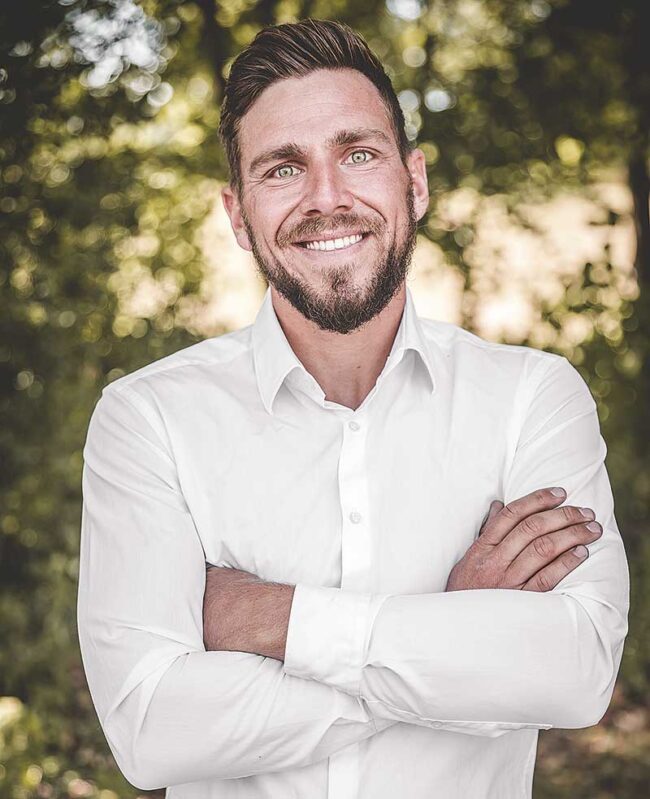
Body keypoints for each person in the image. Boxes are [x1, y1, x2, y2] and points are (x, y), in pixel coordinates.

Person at [76, 18, 630, 799]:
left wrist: (277, 620)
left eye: (359, 153)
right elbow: (150, 730)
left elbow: (574, 671)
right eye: (283, 168)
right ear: (238, 216)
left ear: (416, 182)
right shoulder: (149, 418)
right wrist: (452, 630)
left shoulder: (531, 398)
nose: (326, 197)